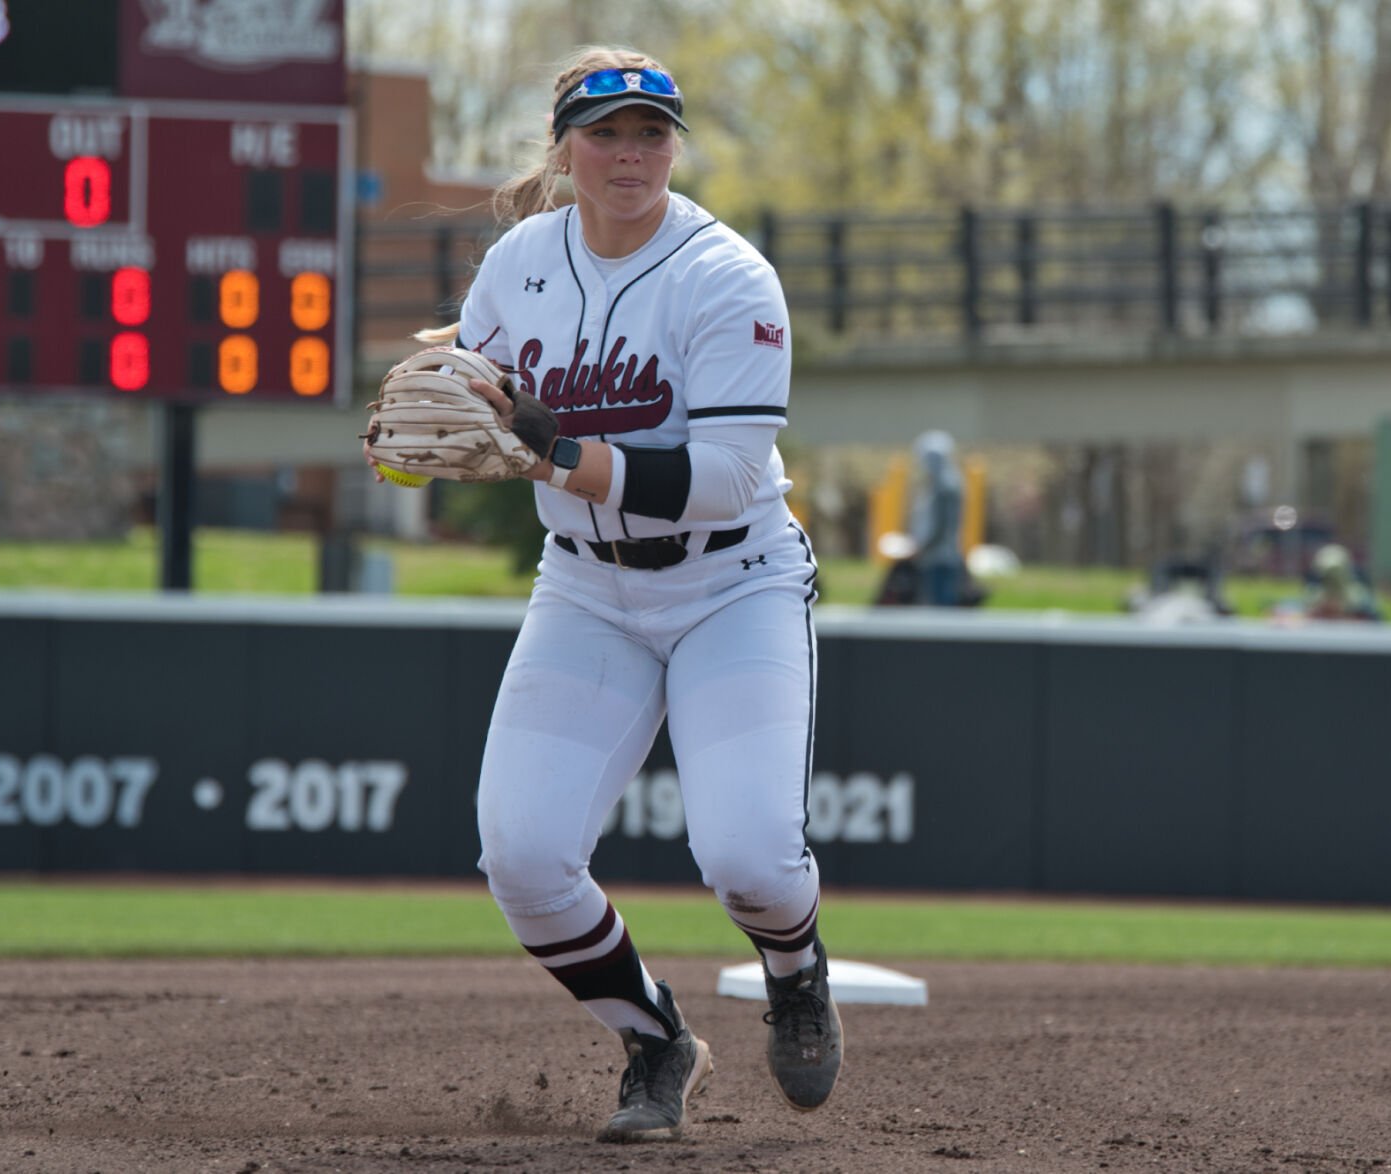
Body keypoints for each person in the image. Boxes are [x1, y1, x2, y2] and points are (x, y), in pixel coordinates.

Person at [372, 47, 840, 1144]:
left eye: (650, 132)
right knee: (524, 860)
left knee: (749, 859)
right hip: (586, 588)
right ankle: (655, 1039)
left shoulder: (728, 276)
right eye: (605, 132)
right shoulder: (519, 260)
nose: (629, 153)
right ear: (565, 148)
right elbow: (474, 405)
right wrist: (421, 448)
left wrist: (552, 448)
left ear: (674, 145)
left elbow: (721, 477)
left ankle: (795, 968)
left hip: (734, 581)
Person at [905, 429, 968, 605]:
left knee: (940, 607)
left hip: (942, 559)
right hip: (932, 558)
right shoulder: (937, 485)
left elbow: (941, 525)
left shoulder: (947, 486)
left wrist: (922, 547)